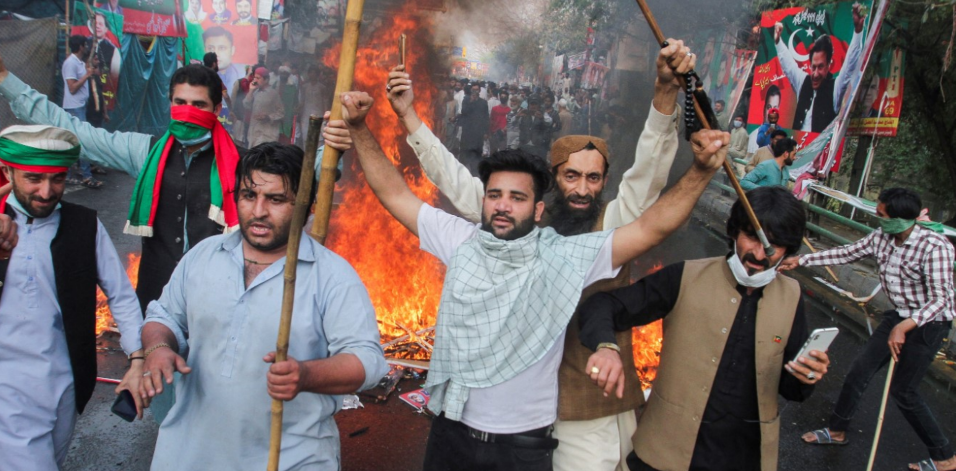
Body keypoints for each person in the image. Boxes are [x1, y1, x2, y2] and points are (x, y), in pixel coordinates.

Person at [342, 89, 725, 471]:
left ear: (537, 208)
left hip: (531, 440)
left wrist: (700, 168)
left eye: (594, 178)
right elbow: (399, 191)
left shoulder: (565, 254)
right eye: (495, 195)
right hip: (452, 431)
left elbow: (651, 222)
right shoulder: (463, 241)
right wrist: (364, 126)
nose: (504, 204)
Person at [0, 53, 347, 313]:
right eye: (180, 102)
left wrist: (331, 146)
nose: (187, 111)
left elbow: (304, 185)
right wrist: (4, 78)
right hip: (157, 300)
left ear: (216, 108)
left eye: (198, 104)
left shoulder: (243, 163)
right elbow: (77, 132)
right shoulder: (144, 152)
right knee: (166, 405)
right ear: (169, 103)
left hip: (222, 302)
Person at [137, 142, 388, 470]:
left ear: (308, 205)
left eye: (276, 200)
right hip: (188, 452)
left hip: (290, 458)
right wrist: (158, 347)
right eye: (248, 196)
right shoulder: (204, 255)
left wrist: (306, 375)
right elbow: (163, 316)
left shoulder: (333, 275)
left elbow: (368, 362)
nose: (258, 211)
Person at [579, 186, 830, 471]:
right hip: (665, 455)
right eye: (752, 237)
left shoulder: (792, 296)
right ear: (735, 232)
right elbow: (602, 305)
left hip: (746, 459)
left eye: (774, 245)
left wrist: (808, 375)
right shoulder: (684, 277)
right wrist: (606, 347)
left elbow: (792, 390)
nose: (760, 254)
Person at [0, 125, 144, 469]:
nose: (47, 191)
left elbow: (121, 294)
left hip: (66, 384)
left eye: (58, 179)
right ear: (7, 172)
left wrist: (138, 359)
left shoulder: (84, 225)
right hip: (7, 387)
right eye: (34, 178)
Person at [782, 188, 956, 471]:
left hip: (928, 323)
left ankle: (945, 457)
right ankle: (837, 431)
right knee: (858, 372)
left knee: (904, 391)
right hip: (897, 315)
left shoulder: (935, 247)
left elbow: (942, 299)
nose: (878, 219)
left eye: (882, 215)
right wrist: (801, 260)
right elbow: (847, 252)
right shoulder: (881, 237)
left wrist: (906, 326)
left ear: (901, 219)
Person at [774, 3, 865, 132]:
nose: (816, 74)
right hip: (795, 148)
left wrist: (858, 31)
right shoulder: (803, 81)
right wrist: (778, 41)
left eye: (820, 67)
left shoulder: (835, 89)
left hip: (819, 151)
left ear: (829, 65)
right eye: (814, 67)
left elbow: (850, 66)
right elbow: (788, 65)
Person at [60, 35, 102, 189]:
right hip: (74, 107)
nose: (86, 48)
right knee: (82, 140)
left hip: (80, 105)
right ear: (80, 46)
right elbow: (72, 88)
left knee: (75, 141)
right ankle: (86, 175)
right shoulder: (70, 63)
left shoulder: (79, 62)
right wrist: (86, 75)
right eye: (85, 45)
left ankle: (72, 174)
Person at [202, 26, 243, 112]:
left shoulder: (242, 71)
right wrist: (231, 109)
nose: (217, 53)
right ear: (214, 64)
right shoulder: (215, 79)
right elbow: (225, 96)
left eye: (222, 48)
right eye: (210, 48)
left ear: (232, 50)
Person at [245, 67, 284, 147]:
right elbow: (246, 105)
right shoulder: (255, 92)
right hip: (254, 133)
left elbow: (281, 112)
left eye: (258, 78)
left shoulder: (273, 94)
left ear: (266, 80)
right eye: (254, 77)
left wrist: (268, 117)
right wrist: (251, 91)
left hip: (267, 135)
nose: (255, 80)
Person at [458, 85, 489, 174]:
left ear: (479, 91)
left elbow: (486, 117)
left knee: (476, 155)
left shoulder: (483, 102)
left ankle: (475, 174)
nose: (475, 91)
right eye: (473, 89)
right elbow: (464, 112)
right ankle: (461, 173)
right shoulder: (466, 100)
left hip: (478, 133)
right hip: (467, 132)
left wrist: (486, 132)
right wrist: (471, 101)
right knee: (464, 154)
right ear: (471, 90)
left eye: (477, 90)